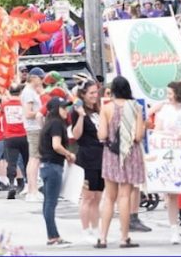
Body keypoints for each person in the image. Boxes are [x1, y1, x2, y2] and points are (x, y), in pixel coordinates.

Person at [95, 76, 144, 249]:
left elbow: (101, 135)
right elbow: (139, 136)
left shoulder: (106, 108)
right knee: (125, 197)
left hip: (111, 155)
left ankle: (102, 238)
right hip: (130, 154)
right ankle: (124, 238)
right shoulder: (136, 107)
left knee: (109, 197)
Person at [149, 81, 181, 244]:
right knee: (171, 194)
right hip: (169, 153)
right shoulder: (165, 109)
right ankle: (174, 229)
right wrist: (167, 134)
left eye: (170, 93)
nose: (168, 97)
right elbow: (157, 130)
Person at [39, 97, 75, 247]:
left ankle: (52, 235)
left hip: (47, 166)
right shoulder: (56, 124)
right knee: (51, 203)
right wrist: (68, 154)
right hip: (53, 166)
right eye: (63, 108)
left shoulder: (49, 123)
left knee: (48, 202)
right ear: (55, 109)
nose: (66, 110)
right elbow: (56, 145)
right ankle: (53, 237)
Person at [71, 79, 103, 243]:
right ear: (83, 94)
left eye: (96, 92)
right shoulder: (77, 111)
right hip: (87, 157)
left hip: (102, 157)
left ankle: (96, 229)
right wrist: (82, 116)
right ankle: (85, 230)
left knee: (98, 197)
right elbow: (76, 135)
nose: (94, 96)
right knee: (87, 197)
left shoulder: (99, 110)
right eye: (91, 93)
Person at [21, 67, 46, 202]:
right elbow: (28, 113)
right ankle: (33, 190)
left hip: (35, 128)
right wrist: (42, 112)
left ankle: (33, 189)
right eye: (41, 78)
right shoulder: (29, 93)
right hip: (34, 128)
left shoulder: (30, 91)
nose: (42, 81)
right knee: (34, 159)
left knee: (34, 159)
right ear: (34, 78)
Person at [2, 84, 29, 200]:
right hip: (24, 135)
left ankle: (12, 184)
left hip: (10, 137)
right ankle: (29, 184)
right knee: (28, 161)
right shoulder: (24, 104)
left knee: (11, 162)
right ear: (20, 92)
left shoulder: (4, 105)